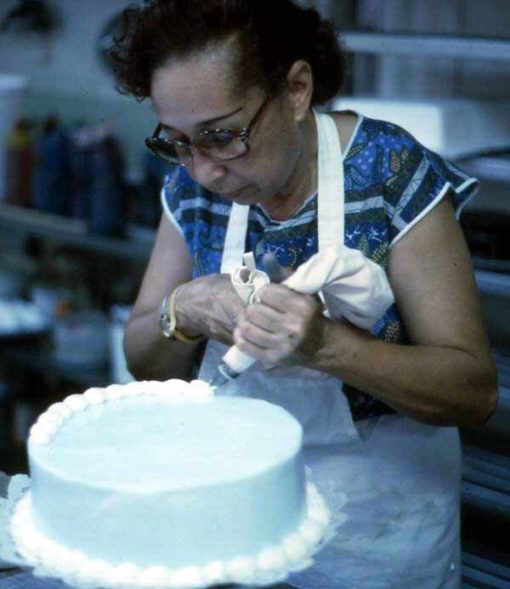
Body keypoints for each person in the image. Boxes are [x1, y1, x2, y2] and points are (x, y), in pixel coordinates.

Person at [110, 1, 498, 587]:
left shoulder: (389, 172)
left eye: (222, 136)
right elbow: (144, 358)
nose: (204, 172)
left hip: (376, 532)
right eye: (179, 143)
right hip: (240, 515)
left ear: (295, 90)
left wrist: (325, 346)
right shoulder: (193, 188)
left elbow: (473, 392)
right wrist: (182, 310)